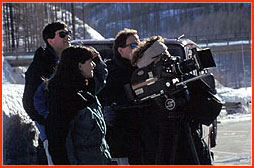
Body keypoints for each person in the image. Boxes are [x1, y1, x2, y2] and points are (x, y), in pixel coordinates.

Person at [131, 35, 214, 165]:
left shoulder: (181, 84)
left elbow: (208, 110)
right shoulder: (150, 106)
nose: (170, 59)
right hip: (170, 143)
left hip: (190, 140)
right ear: (154, 64)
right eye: (164, 56)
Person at [98, 28, 159, 165]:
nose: (138, 47)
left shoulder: (144, 69)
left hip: (146, 136)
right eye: (133, 45)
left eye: (139, 43)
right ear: (120, 50)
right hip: (123, 139)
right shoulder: (111, 74)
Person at [45, 46, 111, 165]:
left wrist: (98, 61)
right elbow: (61, 143)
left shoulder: (86, 92)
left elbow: (99, 80)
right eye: (90, 62)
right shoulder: (66, 99)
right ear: (79, 65)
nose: (93, 65)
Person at [22, 21, 71, 164]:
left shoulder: (67, 62)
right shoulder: (40, 66)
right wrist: (49, 121)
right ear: (50, 40)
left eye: (68, 33)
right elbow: (29, 101)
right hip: (52, 134)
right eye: (62, 34)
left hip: (70, 130)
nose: (67, 36)